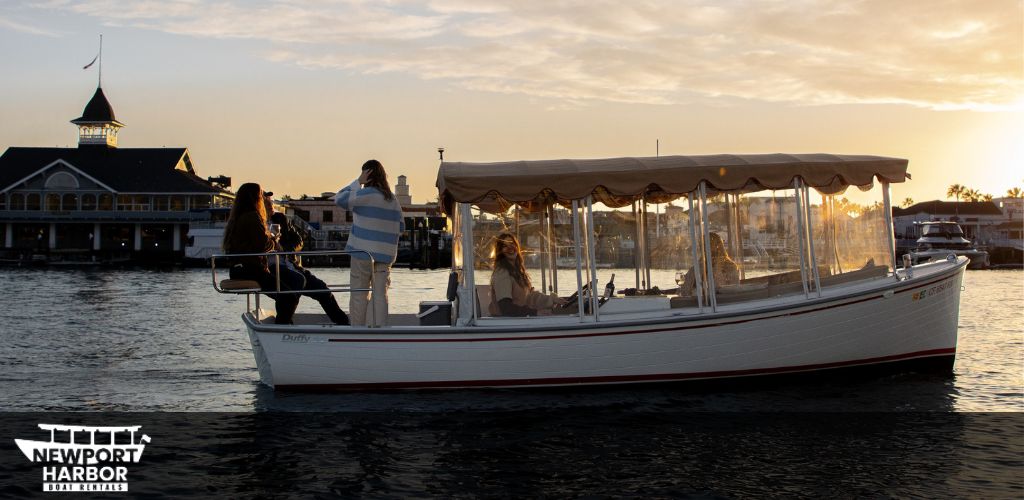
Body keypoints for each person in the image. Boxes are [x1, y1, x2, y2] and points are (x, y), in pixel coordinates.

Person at [334, 159, 404, 326]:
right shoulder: (393, 200)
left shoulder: (363, 195)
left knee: (359, 294)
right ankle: (378, 330)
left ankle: (358, 331)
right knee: (380, 295)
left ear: (367, 175)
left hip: (362, 253)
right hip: (385, 256)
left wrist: (358, 182)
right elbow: (401, 227)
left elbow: (339, 199)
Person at [263, 193, 350, 325]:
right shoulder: (257, 222)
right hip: (272, 267)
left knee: (322, 290)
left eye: (270, 202)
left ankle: (344, 325)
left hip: (289, 263)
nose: (270, 204)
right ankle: (283, 324)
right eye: (267, 202)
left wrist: (285, 248)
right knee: (289, 292)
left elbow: (298, 240)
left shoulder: (280, 218)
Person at [222, 183, 300, 324]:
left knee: (286, 293)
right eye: (261, 195)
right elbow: (262, 245)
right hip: (251, 269)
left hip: (238, 269)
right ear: (255, 198)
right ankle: (282, 331)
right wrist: (274, 239)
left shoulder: (237, 217)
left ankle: (283, 326)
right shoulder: (253, 217)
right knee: (289, 297)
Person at [488, 233, 565, 316]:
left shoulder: (516, 272)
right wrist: (535, 313)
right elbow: (506, 308)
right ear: (500, 251)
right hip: (507, 324)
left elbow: (530, 297)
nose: (510, 247)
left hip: (519, 320)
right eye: (505, 246)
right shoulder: (502, 273)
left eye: (512, 243)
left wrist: (552, 300)